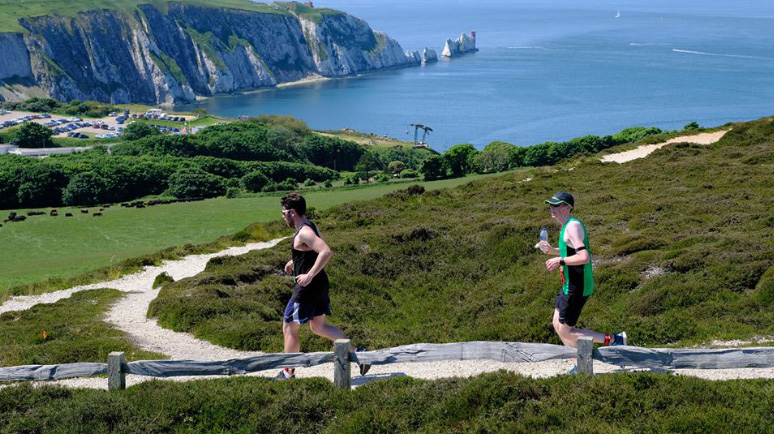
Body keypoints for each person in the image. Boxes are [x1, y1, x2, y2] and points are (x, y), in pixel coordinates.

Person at [275, 192, 370, 380]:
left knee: (289, 326)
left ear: (292, 212)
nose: (282, 216)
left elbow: (326, 251)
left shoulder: (304, 231)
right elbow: (312, 250)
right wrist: (295, 261)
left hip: (308, 288)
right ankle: (361, 355)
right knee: (319, 327)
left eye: (284, 213)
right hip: (320, 285)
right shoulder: (310, 225)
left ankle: (288, 372)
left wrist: (308, 275)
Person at [538, 192, 628, 374]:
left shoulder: (573, 226)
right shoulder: (566, 227)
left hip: (577, 286)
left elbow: (584, 257)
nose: (552, 209)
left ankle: (614, 340)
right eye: (551, 205)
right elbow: (570, 251)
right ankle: (578, 364)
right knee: (557, 324)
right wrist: (553, 251)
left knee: (565, 330)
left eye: (556, 206)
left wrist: (559, 261)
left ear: (567, 207)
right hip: (568, 284)